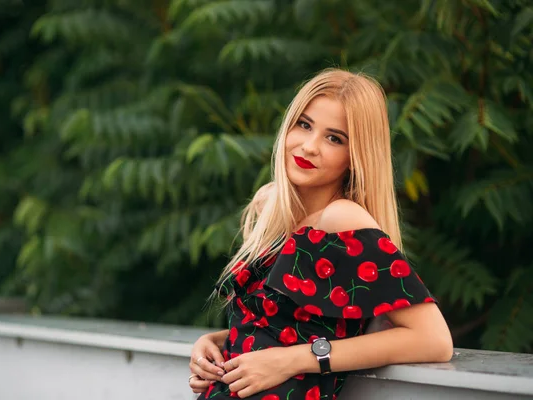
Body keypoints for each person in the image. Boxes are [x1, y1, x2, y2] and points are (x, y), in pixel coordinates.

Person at [188, 68, 453, 399]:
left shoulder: (342, 218)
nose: (309, 146)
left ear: (355, 157)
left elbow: (433, 340)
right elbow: (280, 329)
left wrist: (292, 360)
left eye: (334, 138)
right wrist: (214, 342)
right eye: (304, 124)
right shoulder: (271, 207)